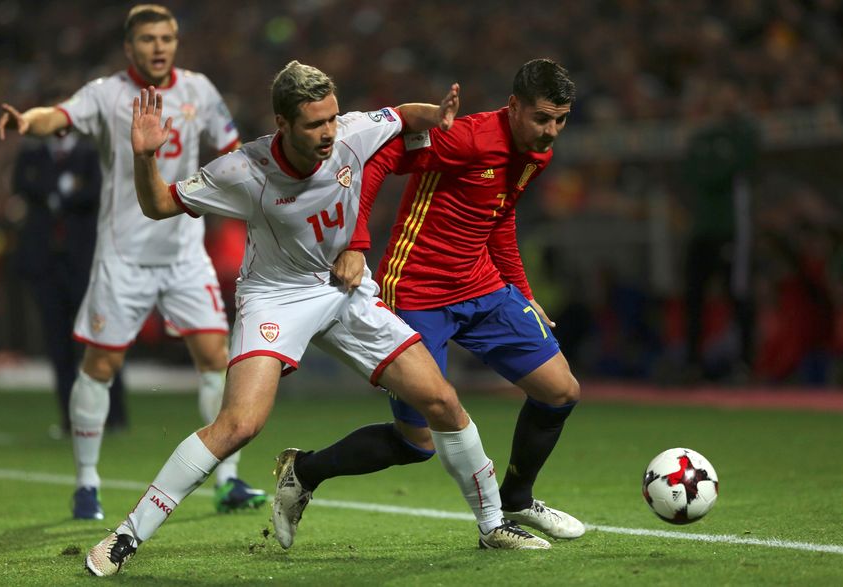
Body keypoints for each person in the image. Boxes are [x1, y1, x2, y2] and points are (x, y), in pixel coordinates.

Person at [84, 60, 552, 577]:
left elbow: (403, 116)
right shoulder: (243, 170)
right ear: (282, 124)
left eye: (331, 118)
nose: (328, 132)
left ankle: (492, 526)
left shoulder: (353, 131)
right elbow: (156, 205)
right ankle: (126, 535)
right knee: (240, 425)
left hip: (344, 291)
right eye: (314, 123)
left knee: (441, 400)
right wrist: (145, 157)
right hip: (275, 298)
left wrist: (436, 115)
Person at [278, 58, 585, 543]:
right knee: (418, 441)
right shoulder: (466, 138)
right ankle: (304, 471)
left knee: (560, 390)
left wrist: (522, 293)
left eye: (561, 120)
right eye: (542, 118)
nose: (551, 131)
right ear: (513, 107)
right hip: (418, 290)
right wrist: (357, 243)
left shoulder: (535, 152)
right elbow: (378, 161)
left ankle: (517, 501)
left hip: (481, 287)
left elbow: (499, 219)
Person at [0, 4, 266, 519]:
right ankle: (87, 483)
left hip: (185, 253)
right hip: (123, 257)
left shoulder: (200, 90)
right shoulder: (107, 94)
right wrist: (28, 121)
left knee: (217, 360)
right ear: (129, 47)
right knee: (100, 365)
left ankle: (227, 480)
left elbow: (233, 150)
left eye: (167, 37)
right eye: (148, 39)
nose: (159, 46)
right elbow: (60, 116)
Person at [10, 131, 129, 437]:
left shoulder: (90, 155)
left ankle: (114, 415)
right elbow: (20, 184)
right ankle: (71, 419)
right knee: (58, 345)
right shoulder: (33, 155)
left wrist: (52, 193)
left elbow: (96, 192)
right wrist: (64, 189)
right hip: (47, 266)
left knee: (99, 339)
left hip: (85, 266)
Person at [682, 81, 760, 382]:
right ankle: (692, 363)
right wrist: (716, 167)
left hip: (732, 228)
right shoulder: (702, 137)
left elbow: (722, 169)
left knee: (738, 294)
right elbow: (694, 172)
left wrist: (712, 168)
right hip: (703, 228)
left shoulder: (743, 133)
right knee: (694, 295)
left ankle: (745, 362)